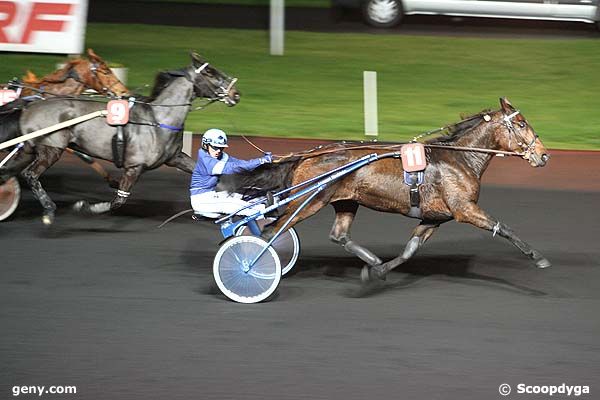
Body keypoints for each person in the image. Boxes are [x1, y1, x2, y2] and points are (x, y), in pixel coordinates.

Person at [190, 128, 272, 218]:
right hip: (201, 201)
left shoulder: (220, 156)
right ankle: (262, 213)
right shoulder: (205, 160)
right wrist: (260, 161)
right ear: (205, 145)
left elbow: (241, 164)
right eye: (215, 147)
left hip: (213, 195)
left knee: (241, 196)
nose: (218, 151)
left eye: (221, 148)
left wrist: (263, 161)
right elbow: (232, 168)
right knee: (240, 205)